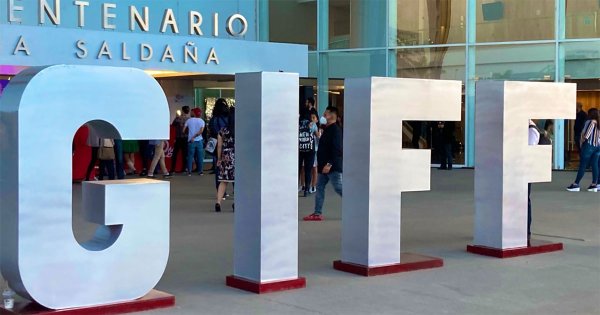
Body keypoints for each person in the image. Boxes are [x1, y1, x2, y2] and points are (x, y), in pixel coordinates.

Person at [304, 106, 343, 221]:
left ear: (332, 116)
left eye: (325, 114)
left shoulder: (335, 130)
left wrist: (329, 164)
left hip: (332, 167)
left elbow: (337, 149)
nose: (323, 117)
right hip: (323, 167)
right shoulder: (327, 129)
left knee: (339, 188)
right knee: (320, 187)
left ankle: (357, 205)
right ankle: (317, 213)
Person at [567, 108, 600, 192]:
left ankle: (576, 184)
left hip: (589, 146)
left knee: (583, 165)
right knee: (595, 165)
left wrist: (582, 142)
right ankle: (594, 184)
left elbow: (586, 135)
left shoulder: (590, 122)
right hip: (597, 147)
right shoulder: (598, 122)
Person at [215, 108, 235, 213]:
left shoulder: (223, 130)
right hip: (237, 155)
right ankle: (236, 203)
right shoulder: (239, 129)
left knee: (223, 181)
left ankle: (218, 202)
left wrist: (219, 158)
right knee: (237, 181)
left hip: (225, 155)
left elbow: (219, 146)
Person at [209, 99, 230, 188]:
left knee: (218, 166)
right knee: (232, 166)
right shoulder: (229, 118)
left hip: (216, 143)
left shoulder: (214, 119)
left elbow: (211, 131)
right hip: (229, 144)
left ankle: (220, 190)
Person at [298, 108, 318, 197]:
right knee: (308, 170)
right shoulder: (312, 124)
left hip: (300, 150)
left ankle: (297, 186)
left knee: (299, 169)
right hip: (310, 150)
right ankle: (306, 189)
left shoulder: (298, 124)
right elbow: (317, 135)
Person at [527, 120, 541, 243]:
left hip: (524, 170)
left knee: (525, 200)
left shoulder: (531, 130)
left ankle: (526, 231)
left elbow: (529, 152)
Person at [184, 108, 206, 176]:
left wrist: (190, 136)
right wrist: (195, 136)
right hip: (199, 141)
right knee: (200, 157)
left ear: (194, 113)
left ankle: (189, 172)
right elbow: (201, 131)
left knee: (190, 157)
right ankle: (200, 171)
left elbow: (183, 130)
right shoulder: (202, 121)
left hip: (191, 141)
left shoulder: (188, 120)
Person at [171, 106, 191, 173]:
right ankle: (184, 168)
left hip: (178, 138)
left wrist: (177, 116)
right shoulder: (189, 119)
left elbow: (173, 125)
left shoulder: (178, 118)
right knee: (185, 154)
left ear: (182, 111)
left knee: (175, 154)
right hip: (185, 138)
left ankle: (172, 169)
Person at [310, 112, 322, 193]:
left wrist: (318, 133)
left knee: (314, 167)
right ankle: (303, 185)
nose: (312, 119)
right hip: (308, 149)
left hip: (315, 150)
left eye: (314, 118)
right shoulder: (309, 125)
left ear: (317, 120)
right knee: (305, 168)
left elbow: (318, 137)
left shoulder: (316, 127)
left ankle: (313, 186)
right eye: (311, 117)